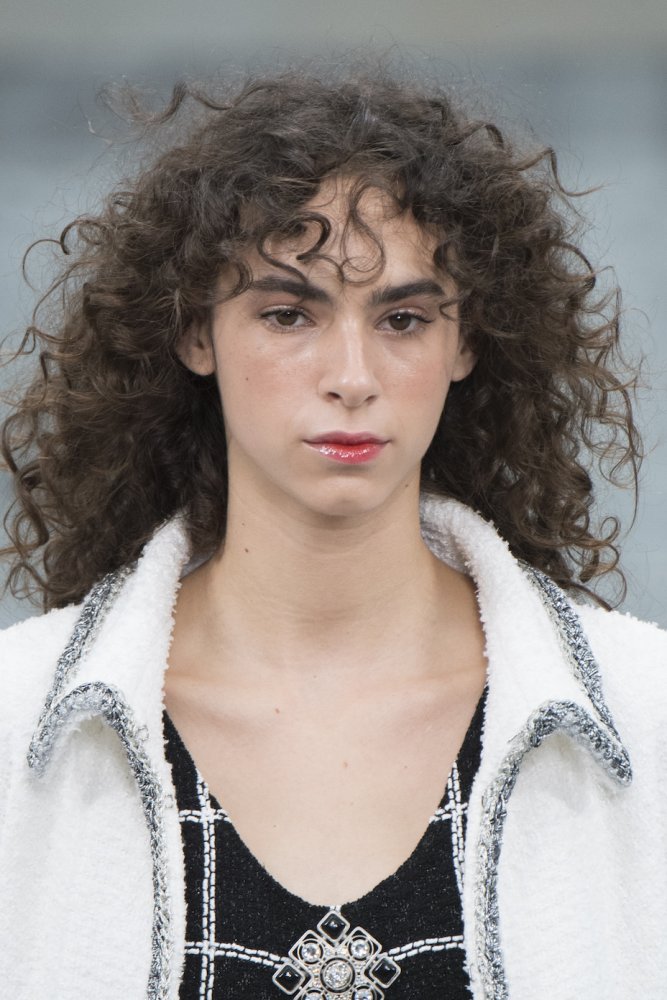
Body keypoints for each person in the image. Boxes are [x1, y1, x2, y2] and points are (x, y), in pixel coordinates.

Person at [0, 71, 665, 1000]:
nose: (351, 376)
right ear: (196, 333)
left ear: (466, 344)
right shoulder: (13, 721)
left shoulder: (648, 713)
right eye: (287, 314)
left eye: (403, 319)